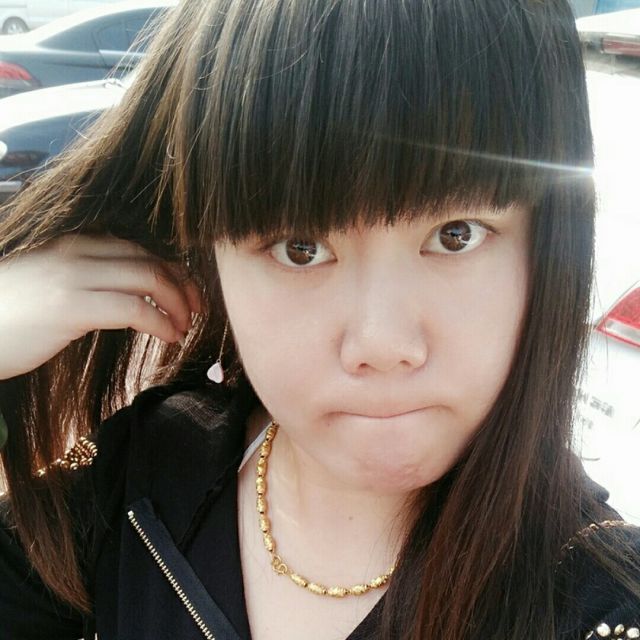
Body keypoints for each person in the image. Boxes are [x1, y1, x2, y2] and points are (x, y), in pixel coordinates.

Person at [0, 0, 639, 638]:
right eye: (300, 248)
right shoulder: (143, 478)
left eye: (456, 234)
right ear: (209, 257)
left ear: (547, 244)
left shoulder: (603, 605)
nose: (383, 344)